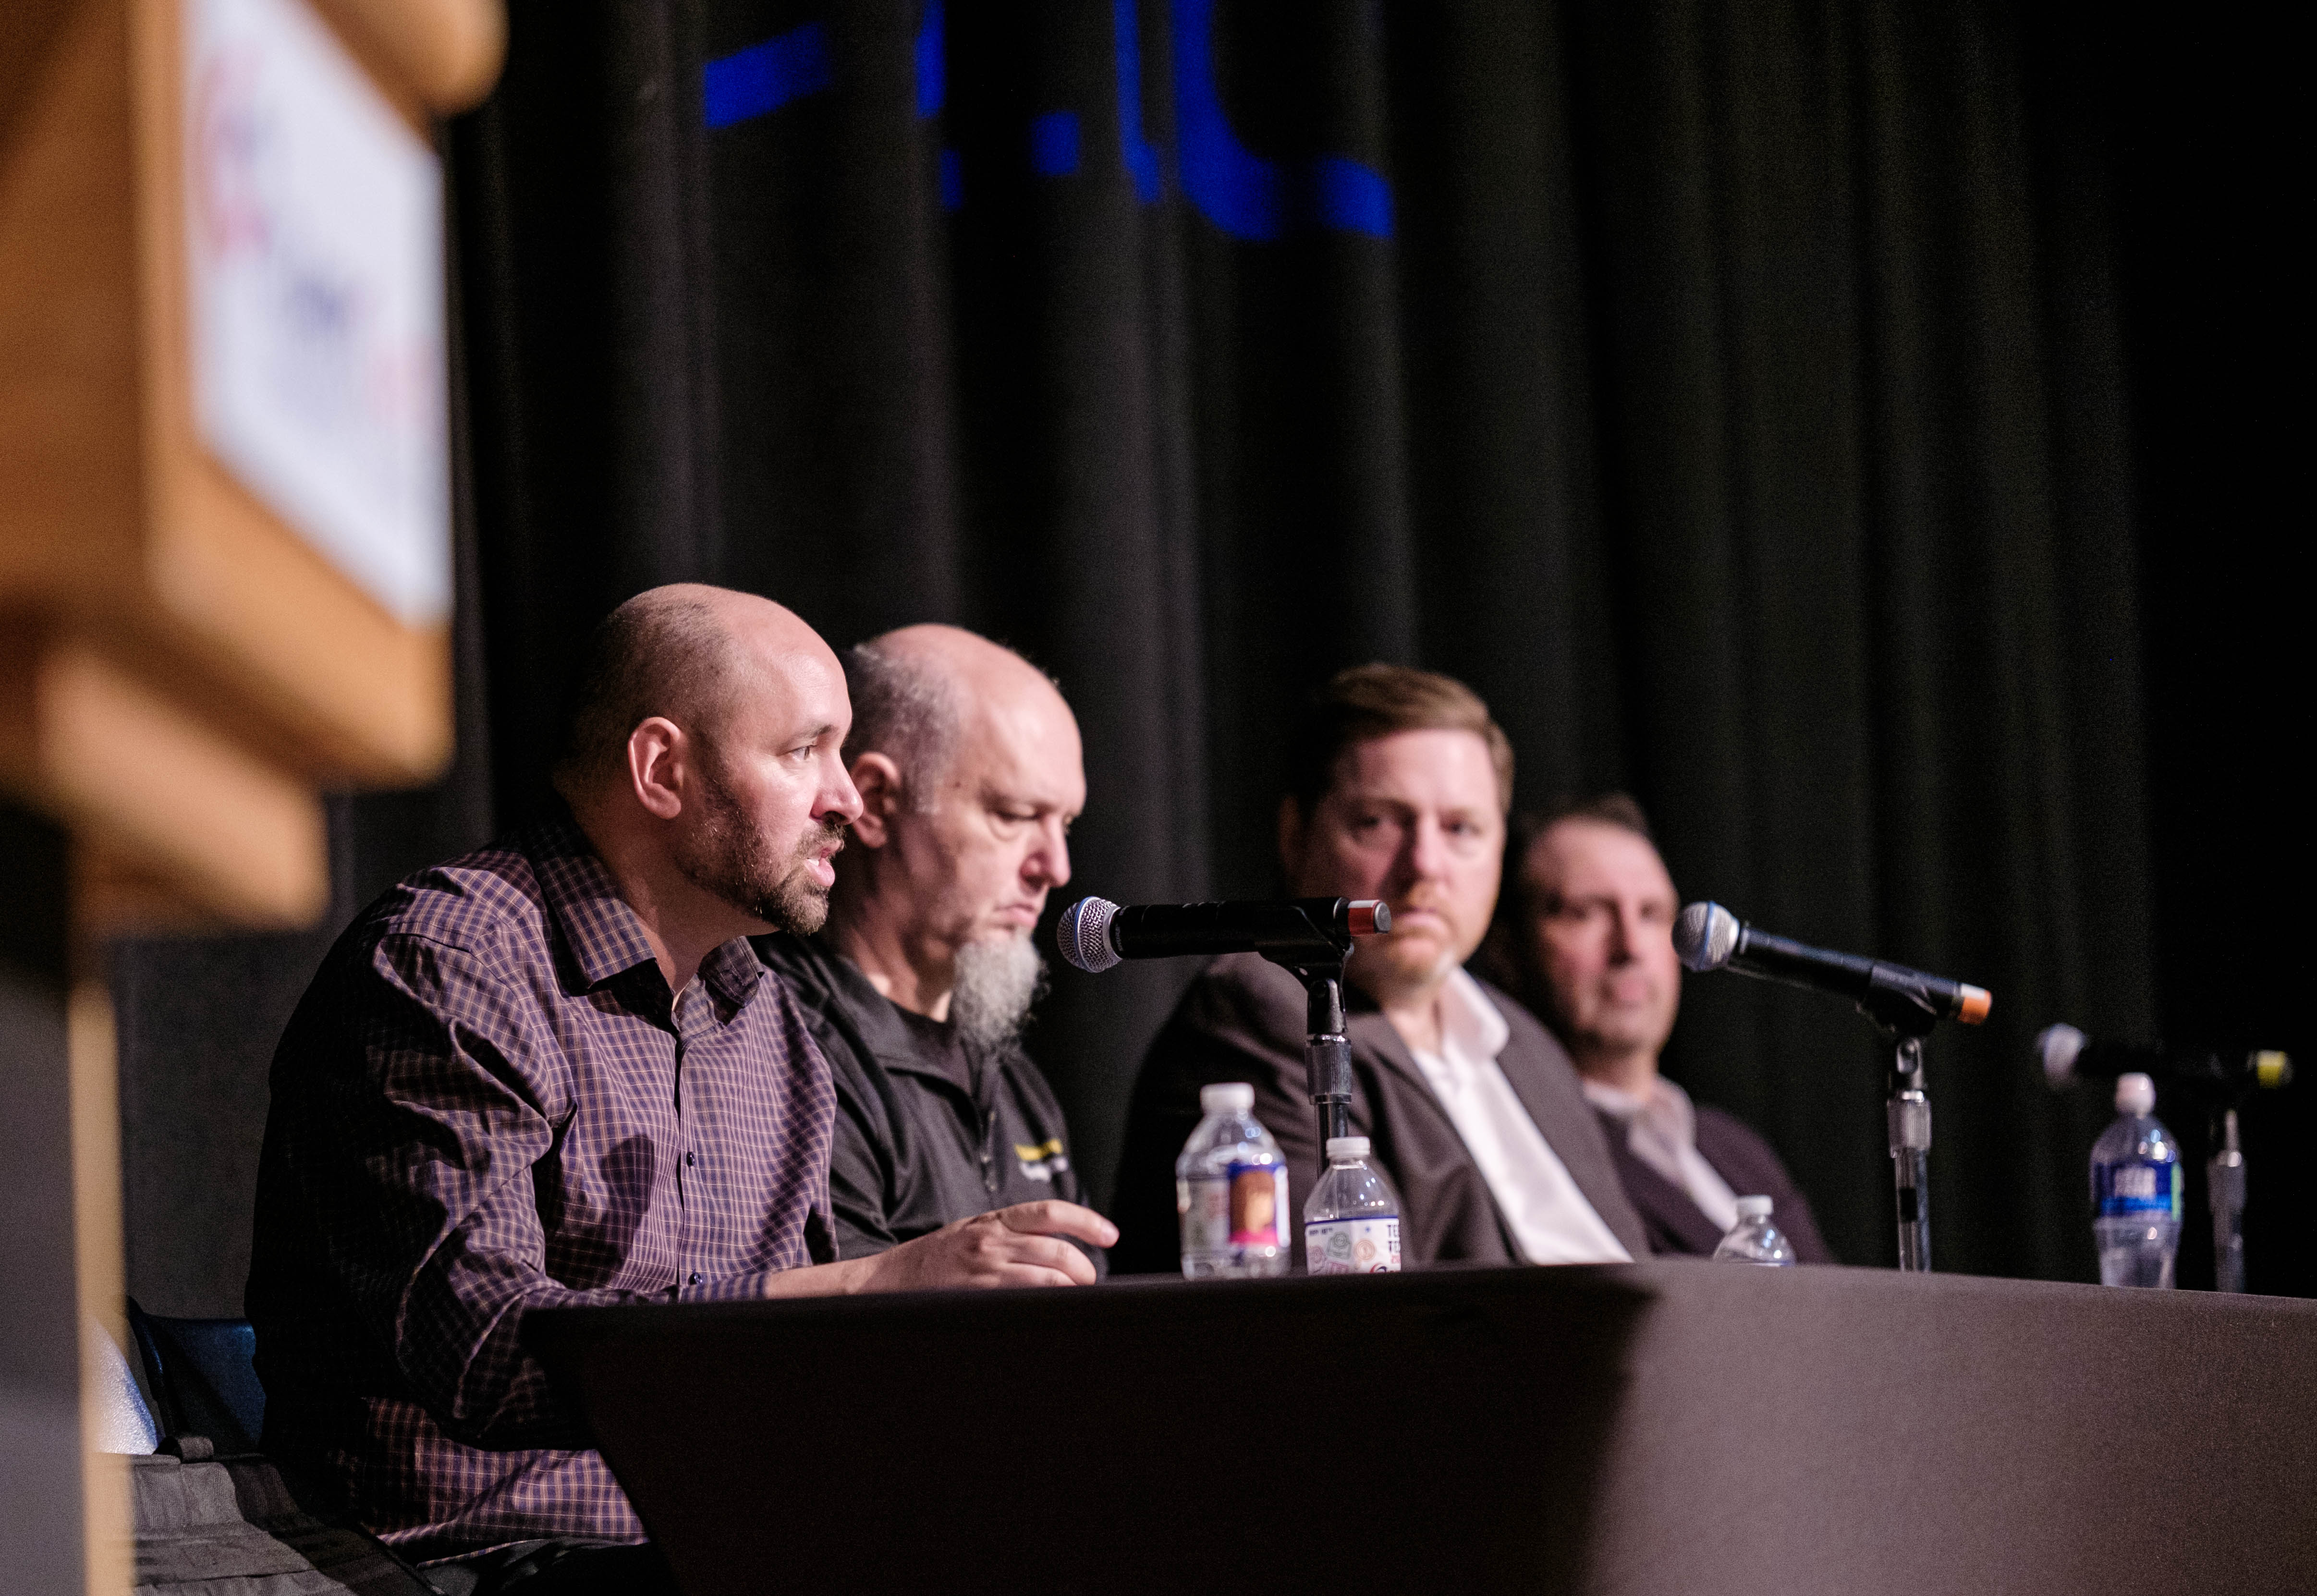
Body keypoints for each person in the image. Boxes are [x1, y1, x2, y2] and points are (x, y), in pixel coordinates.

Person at [246, 586, 1115, 1591]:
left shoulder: (762, 1020)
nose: (843, 799)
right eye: (803, 752)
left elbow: (807, 1388)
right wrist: (876, 1283)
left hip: (714, 1546)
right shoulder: (455, 960)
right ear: (663, 768)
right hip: (465, 1563)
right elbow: (484, 1350)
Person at [1112, 665, 1648, 1272]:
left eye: (1461, 828)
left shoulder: (1528, 1045)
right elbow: (1359, 1322)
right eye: (1378, 823)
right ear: (1295, 835)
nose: (1424, 866)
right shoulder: (1262, 1011)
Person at [753, 625, 1098, 1265]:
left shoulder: (1010, 1075)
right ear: (878, 802)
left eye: (1066, 822)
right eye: (1016, 815)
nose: (1055, 866)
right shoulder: (780, 1049)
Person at [1488, 795, 1832, 1262]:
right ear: (1509, 950)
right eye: (1587, 911)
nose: (1630, 945)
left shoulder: (1739, 1150)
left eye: (1652, 914)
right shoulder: (1519, 1147)